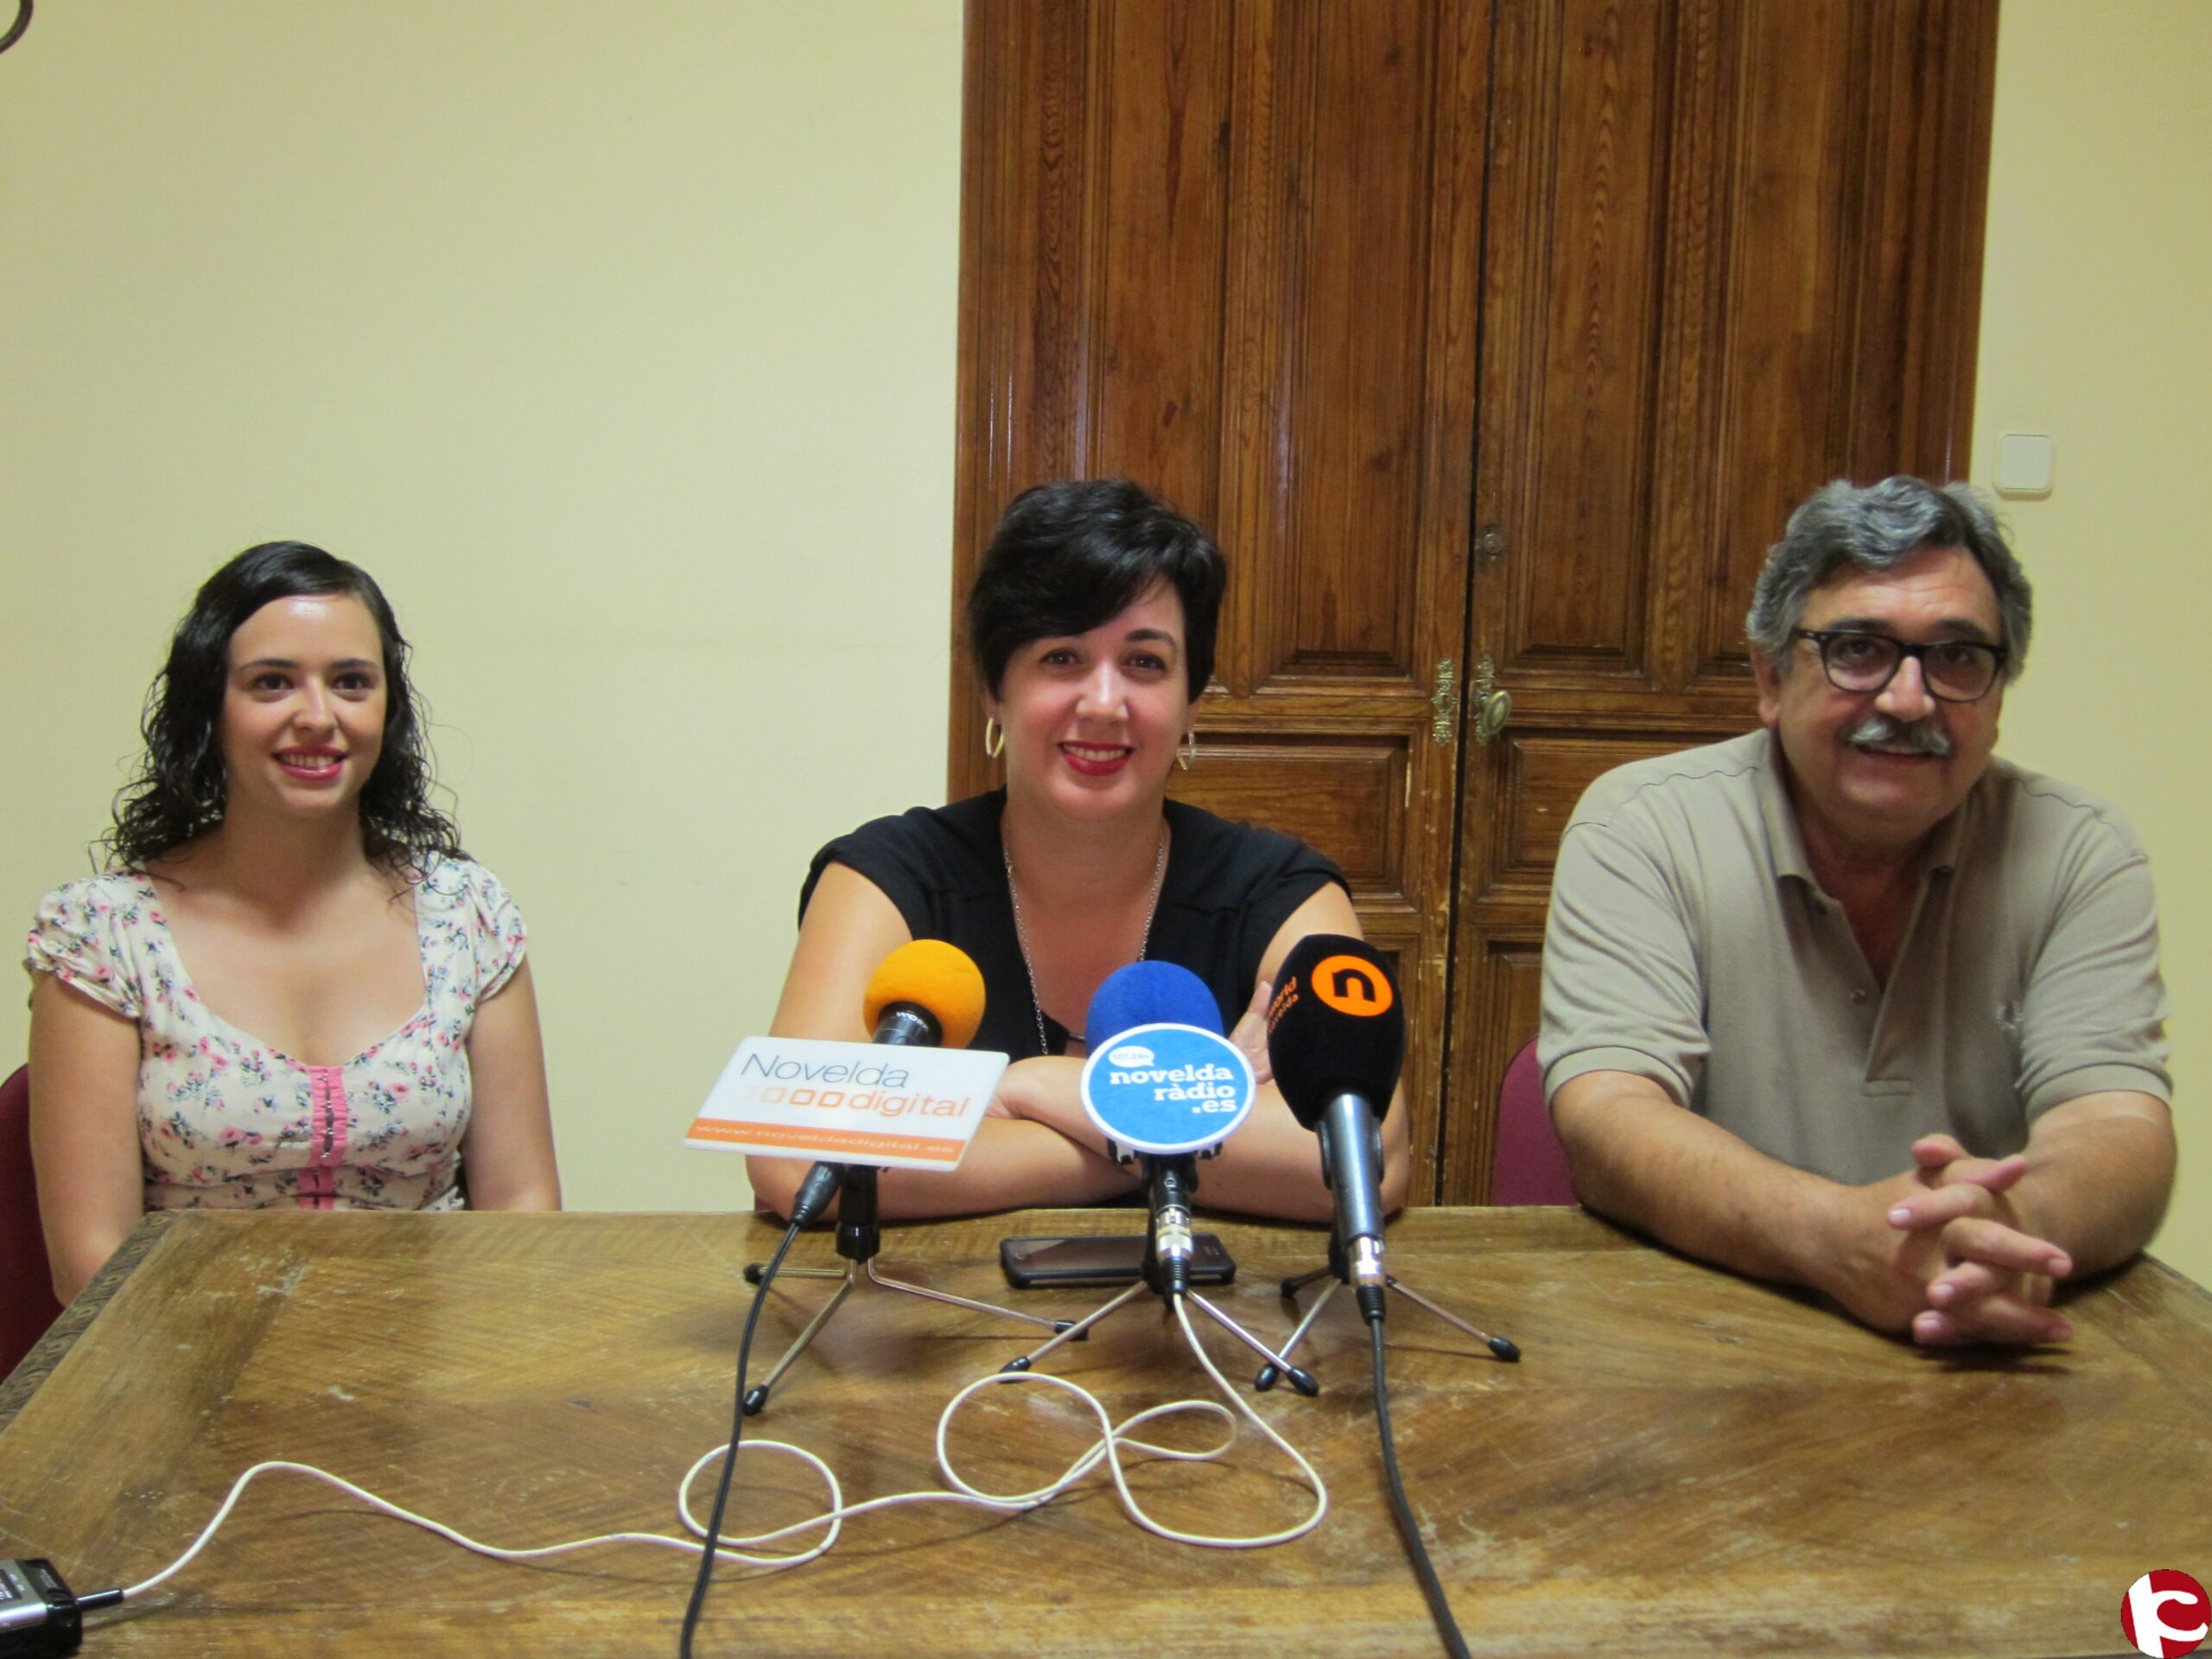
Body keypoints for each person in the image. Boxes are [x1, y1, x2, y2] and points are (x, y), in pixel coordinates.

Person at [1540, 477, 2173, 1348]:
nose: (1908, 700)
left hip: (1984, 1341)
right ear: (1771, 678)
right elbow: (1610, 1111)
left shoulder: (2077, 850)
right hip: (1701, 1336)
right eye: (1859, 649)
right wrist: (1834, 1238)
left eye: (1957, 657)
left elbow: (2116, 1125)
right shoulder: (1643, 825)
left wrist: (2005, 1234)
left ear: (1997, 695)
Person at [749, 478, 1411, 1221]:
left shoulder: (1281, 892)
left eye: (1145, 663)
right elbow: (798, 1158)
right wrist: (1166, 1139)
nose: (1102, 703)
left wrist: (1038, 1089)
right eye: (1062, 657)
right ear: (994, 689)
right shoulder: (887, 876)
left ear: (1193, 702)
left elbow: (1366, 1162)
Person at [25, 543, 560, 1303]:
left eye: (351, 682)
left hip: (434, 1345)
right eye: (272, 683)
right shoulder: (103, 935)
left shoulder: (468, 915)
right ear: (209, 708)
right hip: (187, 1353)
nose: (317, 717)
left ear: (388, 710)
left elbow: (523, 1210)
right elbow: (91, 1261)